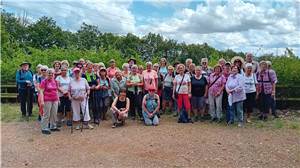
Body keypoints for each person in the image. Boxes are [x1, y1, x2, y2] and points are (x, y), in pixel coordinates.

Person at [39, 68, 60, 134]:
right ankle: (44, 127)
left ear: (54, 74)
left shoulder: (55, 81)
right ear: (47, 74)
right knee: (46, 114)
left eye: (52, 73)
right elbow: (41, 92)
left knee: (54, 113)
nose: (50, 75)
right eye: (49, 73)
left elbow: (56, 91)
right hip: (47, 99)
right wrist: (42, 101)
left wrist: (58, 99)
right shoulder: (44, 81)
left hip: (55, 99)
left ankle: (53, 126)